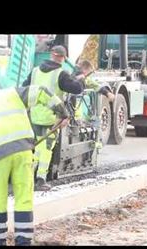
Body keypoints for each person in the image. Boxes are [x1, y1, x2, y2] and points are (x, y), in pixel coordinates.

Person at [0, 79, 68, 246]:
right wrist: (62, 112)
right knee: (23, 197)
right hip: (22, 151)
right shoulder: (12, 94)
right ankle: (23, 241)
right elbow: (42, 91)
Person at [22, 45, 84, 191]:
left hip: (35, 116)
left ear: (51, 55)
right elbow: (77, 89)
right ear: (63, 58)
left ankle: (28, 177)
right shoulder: (60, 74)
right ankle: (40, 179)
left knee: (37, 147)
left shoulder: (35, 71)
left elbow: (25, 87)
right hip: (52, 118)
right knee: (47, 149)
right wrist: (81, 79)